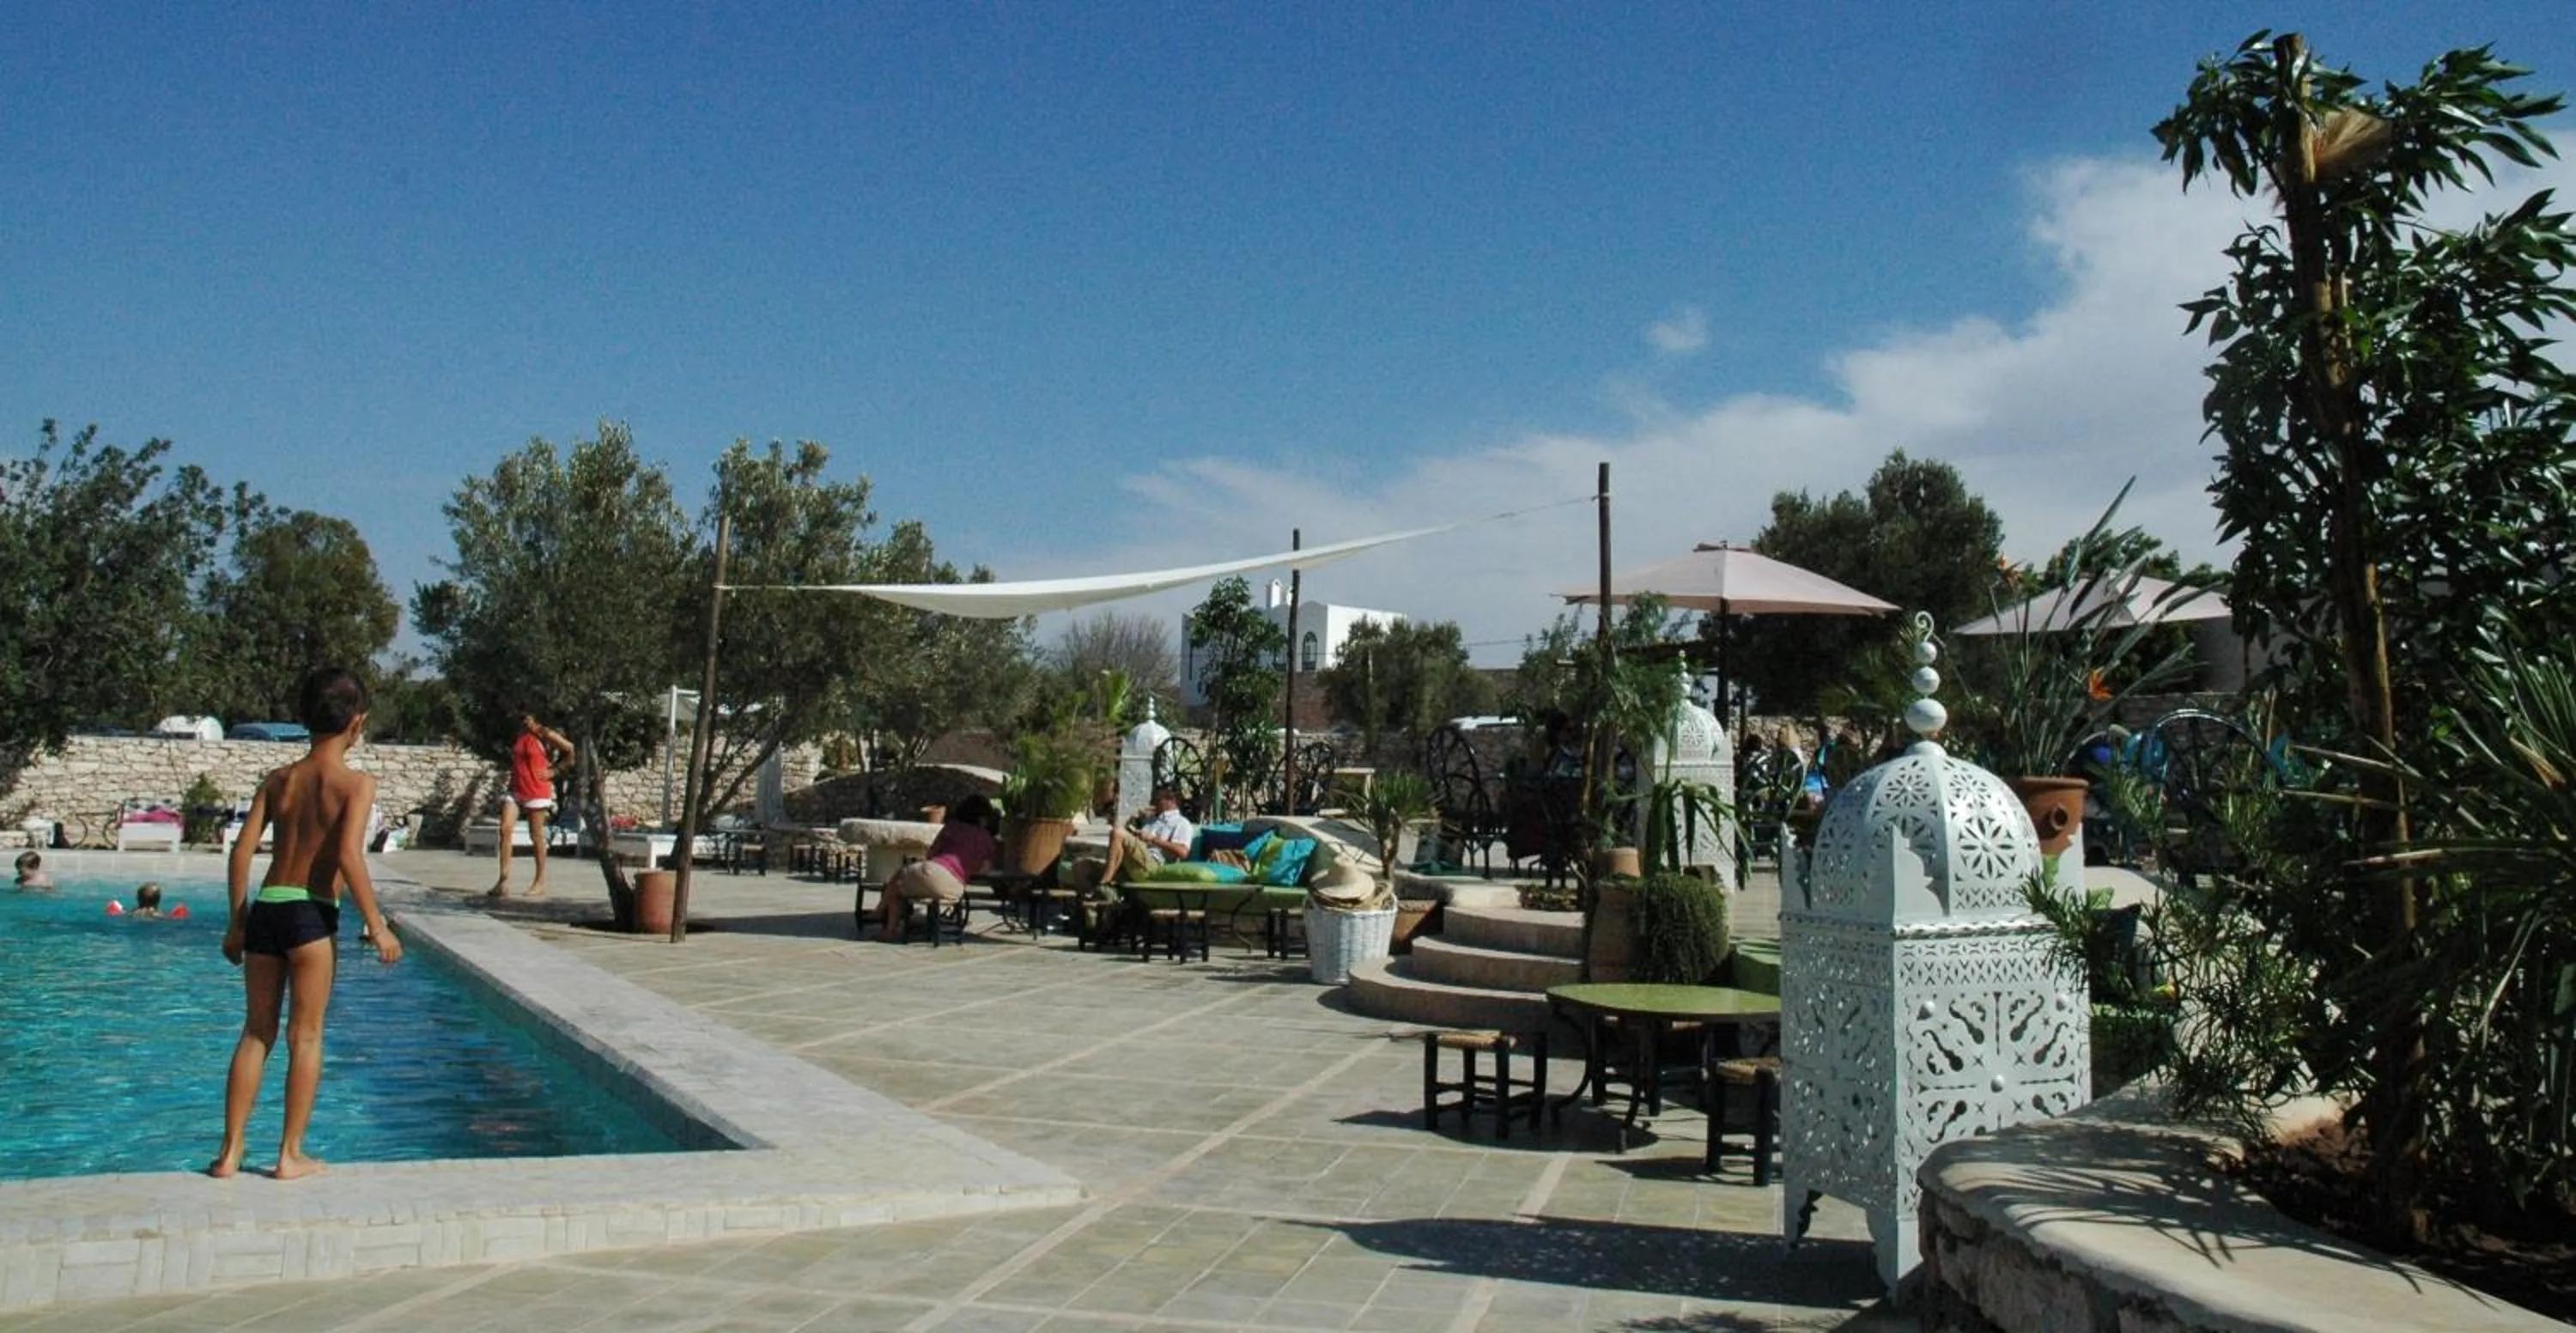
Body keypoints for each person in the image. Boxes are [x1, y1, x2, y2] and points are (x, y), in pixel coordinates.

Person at [210, 666, 401, 1180]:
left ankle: (229, 1153)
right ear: (357, 724)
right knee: (307, 1037)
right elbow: (347, 855)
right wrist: (377, 925)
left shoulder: (279, 781)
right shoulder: (356, 783)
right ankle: (289, 1155)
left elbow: (241, 852)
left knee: (256, 1032)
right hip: (311, 914)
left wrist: (236, 921)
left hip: (269, 907)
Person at [873, 794, 999, 941]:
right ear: (983, 818)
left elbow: (931, 853)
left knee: (897, 884)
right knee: (900, 881)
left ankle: (888, 926)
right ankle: (881, 911)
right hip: (954, 886)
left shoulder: (951, 827)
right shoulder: (987, 839)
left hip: (931, 870)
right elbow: (985, 868)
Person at [489, 712, 574, 899]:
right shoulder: (520, 734)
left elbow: (570, 749)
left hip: (537, 789)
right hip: (516, 789)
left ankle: (540, 880)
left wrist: (555, 771)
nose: (524, 721)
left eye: (527, 717)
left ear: (535, 717)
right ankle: (503, 880)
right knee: (505, 829)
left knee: (536, 836)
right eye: (522, 718)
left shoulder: (544, 734)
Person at [1092, 788, 1197, 886]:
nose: (1154, 803)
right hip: (1136, 860)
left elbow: (1183, 852)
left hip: (1154, 864)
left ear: (1172, 801)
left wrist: (1153, 839)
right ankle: (1103, 890)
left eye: (1158, 799)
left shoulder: (1181, 823)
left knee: (1117, 833)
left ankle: (1105, 882)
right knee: (1082, 867)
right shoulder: (1152, 820)